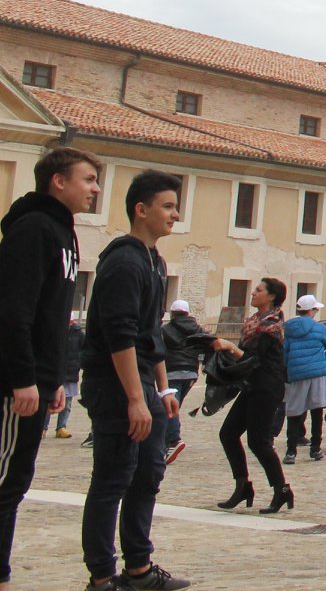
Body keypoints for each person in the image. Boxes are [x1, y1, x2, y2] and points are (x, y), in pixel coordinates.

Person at [78, 170, 193, 591]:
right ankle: (102, 576)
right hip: (116, 386)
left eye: (176, 207)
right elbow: (119, 334)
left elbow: (151, 333)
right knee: (112, 480)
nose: (175, 215)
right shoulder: (124, 260)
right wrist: (134, 398)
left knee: (147, 475)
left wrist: (162, 388)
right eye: (167, 206)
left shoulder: (155, 261)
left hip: (145, 382)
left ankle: (139, 569)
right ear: (140, 209)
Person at [0, 146, 97, 591]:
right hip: (15, 384)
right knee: (4, 479)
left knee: (16, 480)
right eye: (88, 179)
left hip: (40, 380)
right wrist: (23, 377)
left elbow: (54, 315)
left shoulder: (65, 233)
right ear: (58, 181)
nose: (95, 189)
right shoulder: (34, 229)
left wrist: (55, 377)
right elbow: (14, 311)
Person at [217, 279, 290, 513]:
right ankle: (243, 486)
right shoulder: (253, 323)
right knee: (228, 433)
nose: (253, 293)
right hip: (251, 385)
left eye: (259, 290)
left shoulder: (271, 326)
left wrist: (230, 348)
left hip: (267, 385)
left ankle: (282, 489)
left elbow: (254, 360)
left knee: (258, 441)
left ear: (271, 297)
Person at [281, 295, 326, 465]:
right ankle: (315, 448)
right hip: (317, 373)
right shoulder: (319, 328)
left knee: (294, 412)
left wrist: (288, 367)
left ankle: (291, 451)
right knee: (316, 411)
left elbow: (284, 352)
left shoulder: (289, 329)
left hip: (296, 373)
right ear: (311, 310)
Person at [161, 301, 214, 464]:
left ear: (173, 313)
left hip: (172, 371)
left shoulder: (165, 330)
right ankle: (165, 441)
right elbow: (211, 344)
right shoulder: (198, 329)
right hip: (191, 372)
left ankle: (173, 440)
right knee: (173, 405)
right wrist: (206, 363)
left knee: (170, 407)